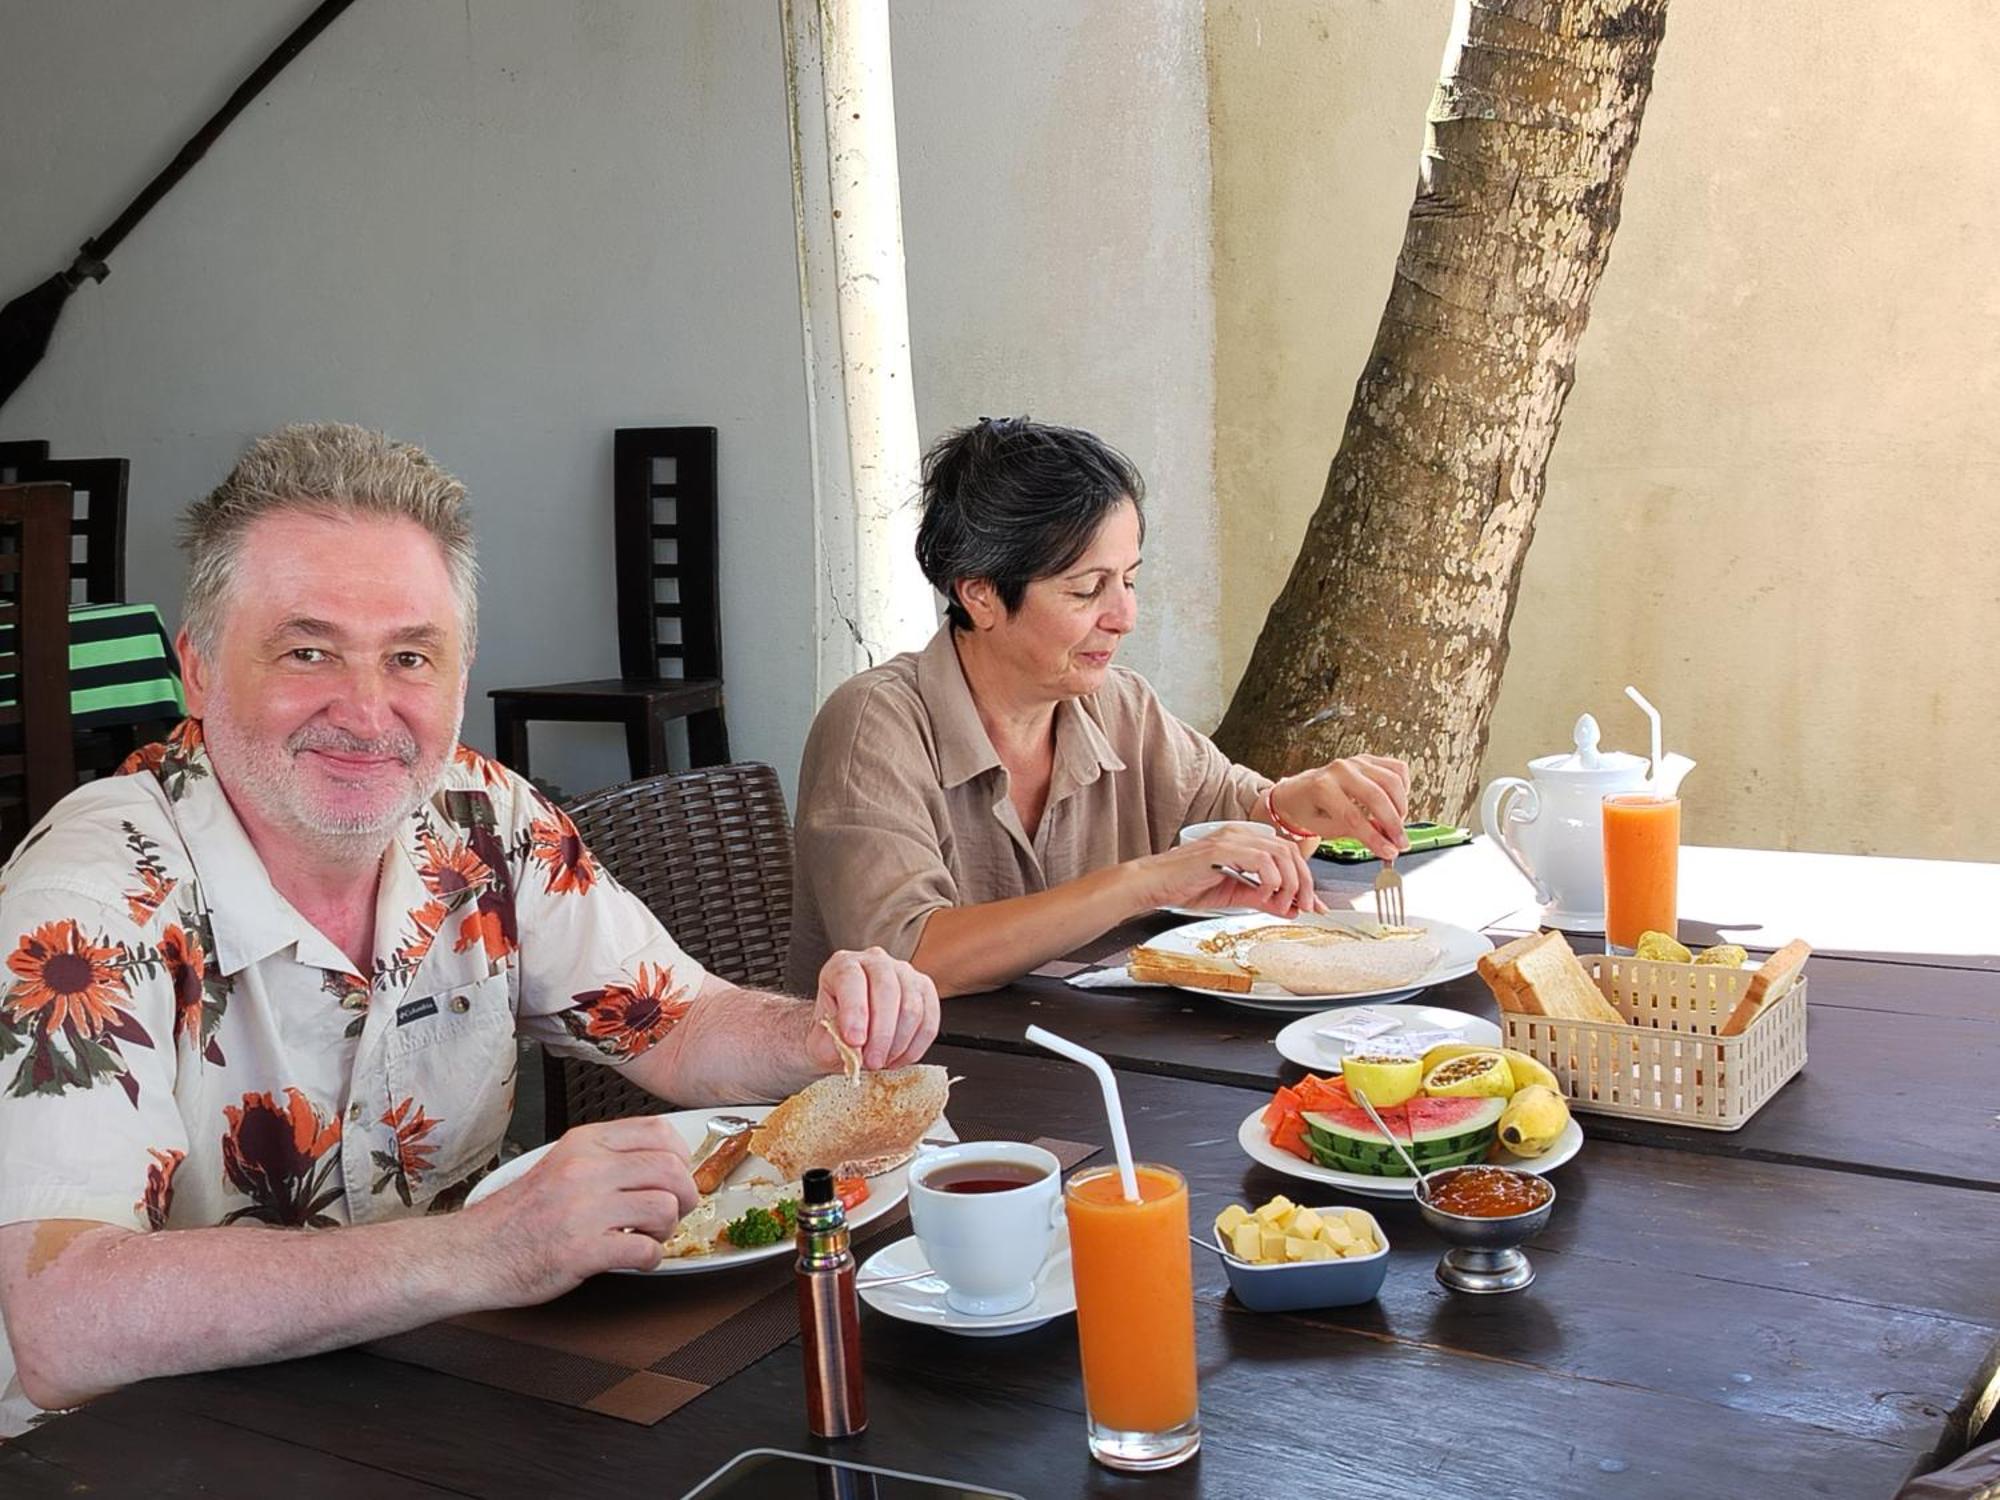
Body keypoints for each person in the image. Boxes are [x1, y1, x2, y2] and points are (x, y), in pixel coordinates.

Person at [0, 423, 938, 1434]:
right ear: (200, 667)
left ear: (461, 671)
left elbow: (672, 1022)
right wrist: (485, 1250)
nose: (366, 711)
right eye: (307, 650)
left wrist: (813, 1033)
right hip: (147, 1453)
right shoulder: (88, 908)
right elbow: (65, 1319)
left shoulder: (481, 822)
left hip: (427, 1406)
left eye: (410, 656)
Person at [788, 416, 1411, 997]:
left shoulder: (1119, 705)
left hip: (1090, 1066)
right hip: (907, 1089)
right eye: (1087, 590)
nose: (1124, 618)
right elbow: (910, 957)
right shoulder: (874, 725)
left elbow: (1233, 819)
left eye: (1129, 581)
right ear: (979, 594)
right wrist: (1144, 880)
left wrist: (1300, 806)